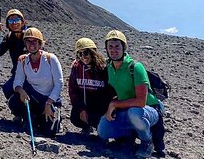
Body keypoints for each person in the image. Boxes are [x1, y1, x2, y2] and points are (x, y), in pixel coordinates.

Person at [97, 30, 163, 158]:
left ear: (124, 48)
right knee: (102, 129)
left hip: (148, 110)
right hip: (127, 110)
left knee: (134, 112)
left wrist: (114, 104)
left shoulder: (135, 67)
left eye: (117, 46)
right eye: (110, 46)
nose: (113, 50)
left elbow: (140, 102)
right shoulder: (109, 67)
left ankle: (147, 141)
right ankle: (129, 136)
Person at [8, 28, 63, 138]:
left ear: (40, 43)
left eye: (35, 41)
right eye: (28, 41)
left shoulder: (50, 59)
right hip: (33, 97)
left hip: (48, 99)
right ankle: (30, 117)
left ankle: (48, 118)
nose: (31, 44)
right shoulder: (23, 61)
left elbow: (59, 83)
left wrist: (49, 103)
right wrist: (21, 90)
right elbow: (17, 81)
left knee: (49, 132)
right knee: (14, 101)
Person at [68, 37, 113, 134]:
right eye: (80, 54)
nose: (83, 57)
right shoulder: (76, 68)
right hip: (85, 105)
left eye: (86, 53)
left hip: (101, 107)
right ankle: (86, 127)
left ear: (93, 52)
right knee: (75, 118)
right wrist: (81, 109)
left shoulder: (104, 69)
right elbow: (73, 91)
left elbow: (110, 92)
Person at [0, 8, 28, 100]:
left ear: (22, 22)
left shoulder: (30, 35)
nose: (14, 23)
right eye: (11, 20)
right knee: (8, 88)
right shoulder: (9, 37)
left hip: (32, 73)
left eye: (17, 20)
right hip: (17, 72)